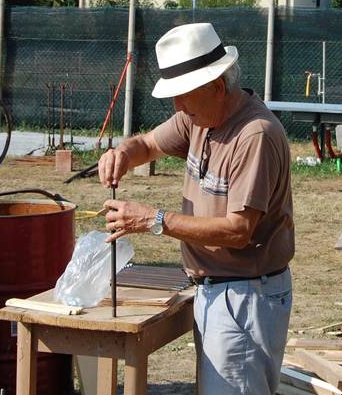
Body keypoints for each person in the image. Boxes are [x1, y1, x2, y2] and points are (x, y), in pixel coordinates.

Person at [98, 22, 294, 395]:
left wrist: (155, 220)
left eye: (183, 95)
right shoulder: (199, 118)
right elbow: (147, 144)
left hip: (247, 295)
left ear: (217, 86)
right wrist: (123, 153)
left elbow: (238, 231)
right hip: (217, 289)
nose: (178, 106)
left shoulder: (254, 135)